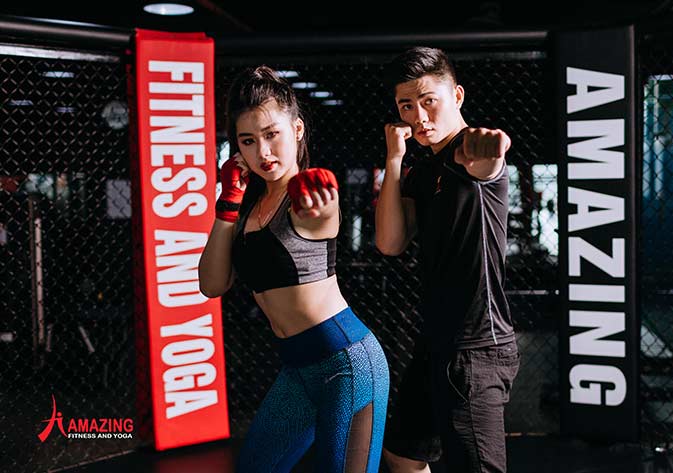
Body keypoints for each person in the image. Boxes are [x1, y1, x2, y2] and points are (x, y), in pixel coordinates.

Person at [198, 65, 389, 473]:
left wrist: (321, 202)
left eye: (272, 135)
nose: (263, 152)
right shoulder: (247, 207)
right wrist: (227, 204)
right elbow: (212, 284)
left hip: (348, 364)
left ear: (297, 130)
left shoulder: (304, 198)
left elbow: (322, 215)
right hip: (299, 371)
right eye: (248, 141)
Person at [375, 47, 520, 473]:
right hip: (435, 343)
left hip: (476, 347)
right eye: (406, 105)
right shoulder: (422, 172)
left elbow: (486, 163)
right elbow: (390, 243)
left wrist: (491, 152)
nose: (419, 116)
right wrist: (394, 159)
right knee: (403, 455)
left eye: (428, 100)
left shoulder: (466, 153)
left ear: (456, 96)